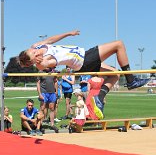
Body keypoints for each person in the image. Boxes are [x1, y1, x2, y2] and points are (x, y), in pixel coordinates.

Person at [18, 30, 150, 117]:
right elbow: (45, 65)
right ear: (33, 61)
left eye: (32, 51)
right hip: (84, 60)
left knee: (115, 74)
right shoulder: (43, 62)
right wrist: (40, 63)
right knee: (118, 45)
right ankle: (131, 80)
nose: (35, 51)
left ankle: (99, 97)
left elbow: (51, 40)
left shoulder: (36, 46)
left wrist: (68, 34)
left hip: (83, 60)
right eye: (34, 55)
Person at [36, 68, 59, 133]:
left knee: (52, 108)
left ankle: (52, 124)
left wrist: (56, 91)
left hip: (52, 92)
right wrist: (39, 93)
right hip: (44, 92)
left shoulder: (53, 72)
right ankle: (40, 125)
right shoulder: (41, 72)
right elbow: (38, 83)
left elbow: (55, 81)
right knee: (42, 108)